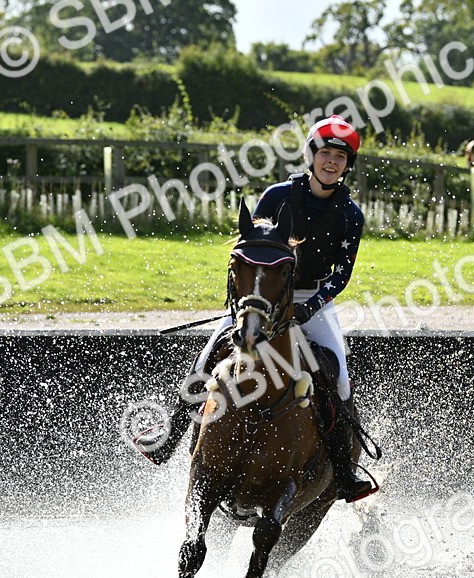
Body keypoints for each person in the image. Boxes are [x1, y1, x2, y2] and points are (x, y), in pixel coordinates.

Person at [139, 115, 377, 502]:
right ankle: (169, 436)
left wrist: (310, 306)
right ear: (311, 156)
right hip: (261, 300)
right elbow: (252, 251)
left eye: (340, 157)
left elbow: (342, 275)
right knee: (208, 355)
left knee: (339, 377)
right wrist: (253, 300)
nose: (331, 162)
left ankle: (344, 472)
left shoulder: (351, 214)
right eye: (325, 154)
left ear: (347, 165)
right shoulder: (277, 196)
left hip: (313, 303)